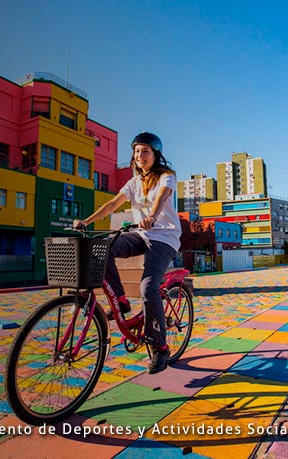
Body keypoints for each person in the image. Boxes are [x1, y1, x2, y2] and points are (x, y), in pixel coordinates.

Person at [73, 132, 181, 374]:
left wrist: (152, 216)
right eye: (136, 151)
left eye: (145, 151)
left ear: (155, 155)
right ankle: (121, 302)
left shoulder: (166, 176)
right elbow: (112, 204)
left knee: (148, 288)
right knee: (101, 249)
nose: (139, 155)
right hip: (141, 235)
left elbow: (163, 196)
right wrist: (86, 221)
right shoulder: (133, 183)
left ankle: (160, 346)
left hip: (164, 238)